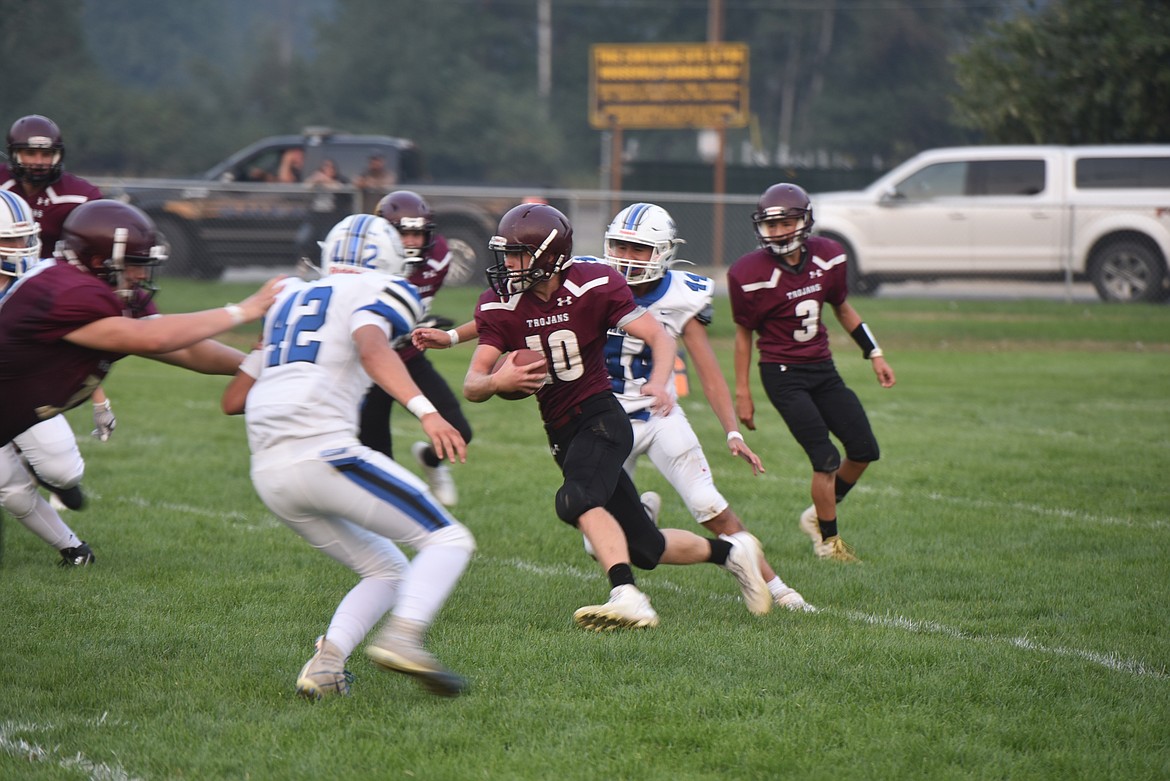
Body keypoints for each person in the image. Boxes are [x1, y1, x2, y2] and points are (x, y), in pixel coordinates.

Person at [463, 202, 772, 632]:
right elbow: (472, 384)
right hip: (561, 429)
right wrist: (498, 381)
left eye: (518, 255)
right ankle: (732, 553)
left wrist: (661, 382)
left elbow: (660, 338)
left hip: (602, 416)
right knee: (647, 546)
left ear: (549, 256)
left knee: (575, 499)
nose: (508, 265)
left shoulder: (595, 285)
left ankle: (627, 595)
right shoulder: (500, 303)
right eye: (507, 254)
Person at [221, 213, 475, 699]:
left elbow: (233, 401)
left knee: (387, 571)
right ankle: (404, 637)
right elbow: (371, 346)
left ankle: (327, 663)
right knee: (449, 540)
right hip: (324, 454)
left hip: (268, 471)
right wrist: (426, 412)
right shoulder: (383, 289)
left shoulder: (289, 299)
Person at [594, 202, 810, 610]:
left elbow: (709, 373)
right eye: (620, 246)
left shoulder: (681, 295)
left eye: (638, 249)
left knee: (709, 504)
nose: (625, 258)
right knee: (596, 541)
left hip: (658, 417)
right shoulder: (591, 279)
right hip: (602, 423)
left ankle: (780, 590)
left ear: (662, 252)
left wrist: (731, 431)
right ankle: (640, 512)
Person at [0, 198, 279, 458]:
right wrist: (244, 310)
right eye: (135, 264)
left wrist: (257, 368)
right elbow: (152, 339)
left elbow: (186, 349)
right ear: (100, 262)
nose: (142, 275)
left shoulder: (105, 290)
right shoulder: (64, 291)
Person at [727, 183, 896, 563]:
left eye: (787, 222)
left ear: (804, 222)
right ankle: (828, 542)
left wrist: (875, 353)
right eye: (772, 225)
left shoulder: (830, 256)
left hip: (822, 367)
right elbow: (743, 336)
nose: (780, 231)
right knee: (825, 458)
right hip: (782, 373)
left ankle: (818, 514)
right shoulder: (747, 273)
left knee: (865, 449)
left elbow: (843, 308)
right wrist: (743, 392)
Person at [357, 191, 472, 506]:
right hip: (368, 366)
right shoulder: (364, 260)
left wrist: (418, 321)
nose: (411, 241)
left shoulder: (437, 257)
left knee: (459, 431)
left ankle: (430, 461)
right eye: (402, 233)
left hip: (408, 355)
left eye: (417, 233)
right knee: (377, 456)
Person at [0, 190, 94, 565]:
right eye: (10, 238)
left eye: (25, 237)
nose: (21, 247)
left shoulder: (39, 282)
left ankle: (43, 471)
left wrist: (98, 398)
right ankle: (74, 549)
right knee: (12, 490)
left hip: (24, 391)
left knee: (65, 470)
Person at [0, 115, 103, 255]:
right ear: (15, 154)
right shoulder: (3, 182)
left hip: (53, 273)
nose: (38, 162)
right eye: (30, 153)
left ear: (57, 156)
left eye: (46, 154)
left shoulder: (81, 196)